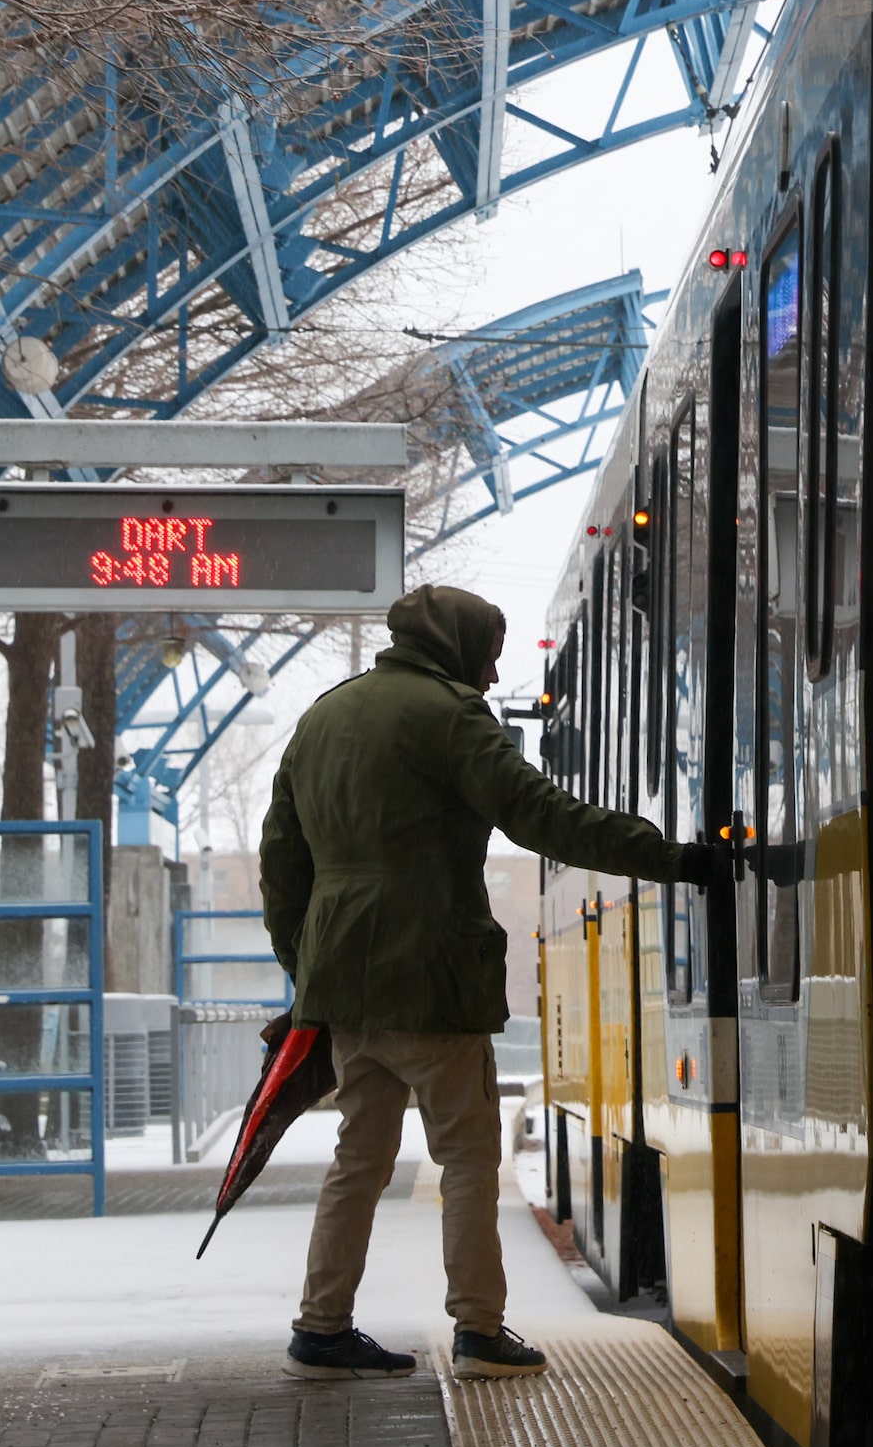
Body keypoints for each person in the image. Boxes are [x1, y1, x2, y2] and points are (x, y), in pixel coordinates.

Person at [258, 583, 722, 1381]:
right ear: (460, 646)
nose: (495, 666)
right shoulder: (450, 715)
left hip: (343, 986)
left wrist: (305, 967)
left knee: (358, 1158)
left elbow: (280, 860)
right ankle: (479, 1329)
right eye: (489, 649)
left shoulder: (324, 718)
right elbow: (538, 814)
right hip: (431, 972)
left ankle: (321, 1326)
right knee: (468, 1156)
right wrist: (671, 858)